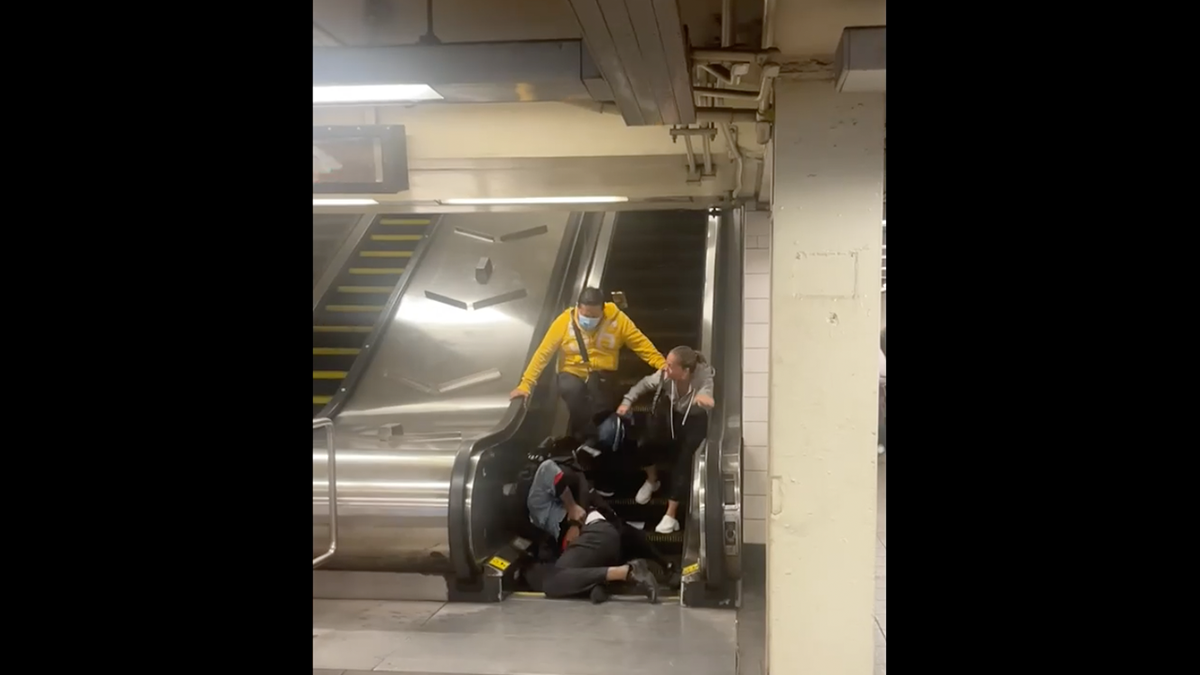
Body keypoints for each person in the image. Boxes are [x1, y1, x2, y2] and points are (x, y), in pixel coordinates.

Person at [510, 287, 666, 453]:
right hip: (572, 371)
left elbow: (640, 344)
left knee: (601, 407)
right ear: (578, 307)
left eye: (594, 316)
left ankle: (598, 442)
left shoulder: (617, 320)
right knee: (573, 391)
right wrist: (526, 384)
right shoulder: (564, 321)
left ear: (603, 310)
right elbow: (544, 353)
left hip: (602, 374)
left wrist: (661, 364)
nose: (588, 319)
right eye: (585, 314)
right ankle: (590, 439)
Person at [523, 456, 660, 603]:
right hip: (595, 543)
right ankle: (597, 584)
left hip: (594, 533)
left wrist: (572, 509)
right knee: (566, 578)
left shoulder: (534, 499)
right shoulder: (539, 522)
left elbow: (548, 468)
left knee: (552, 582)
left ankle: (628, 572)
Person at [617, 346, 715, 534]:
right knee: (644, 442)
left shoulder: (703, 376)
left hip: (694, 419)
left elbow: (707, 394)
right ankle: (652, 480)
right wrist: (627, 401)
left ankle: (671, 515)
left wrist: (704, 399)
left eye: (670, 366)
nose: (665, 368)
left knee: (684, 459)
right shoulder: (665, 375)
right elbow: (644, 384)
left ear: (685, 371)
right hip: (670, 412)